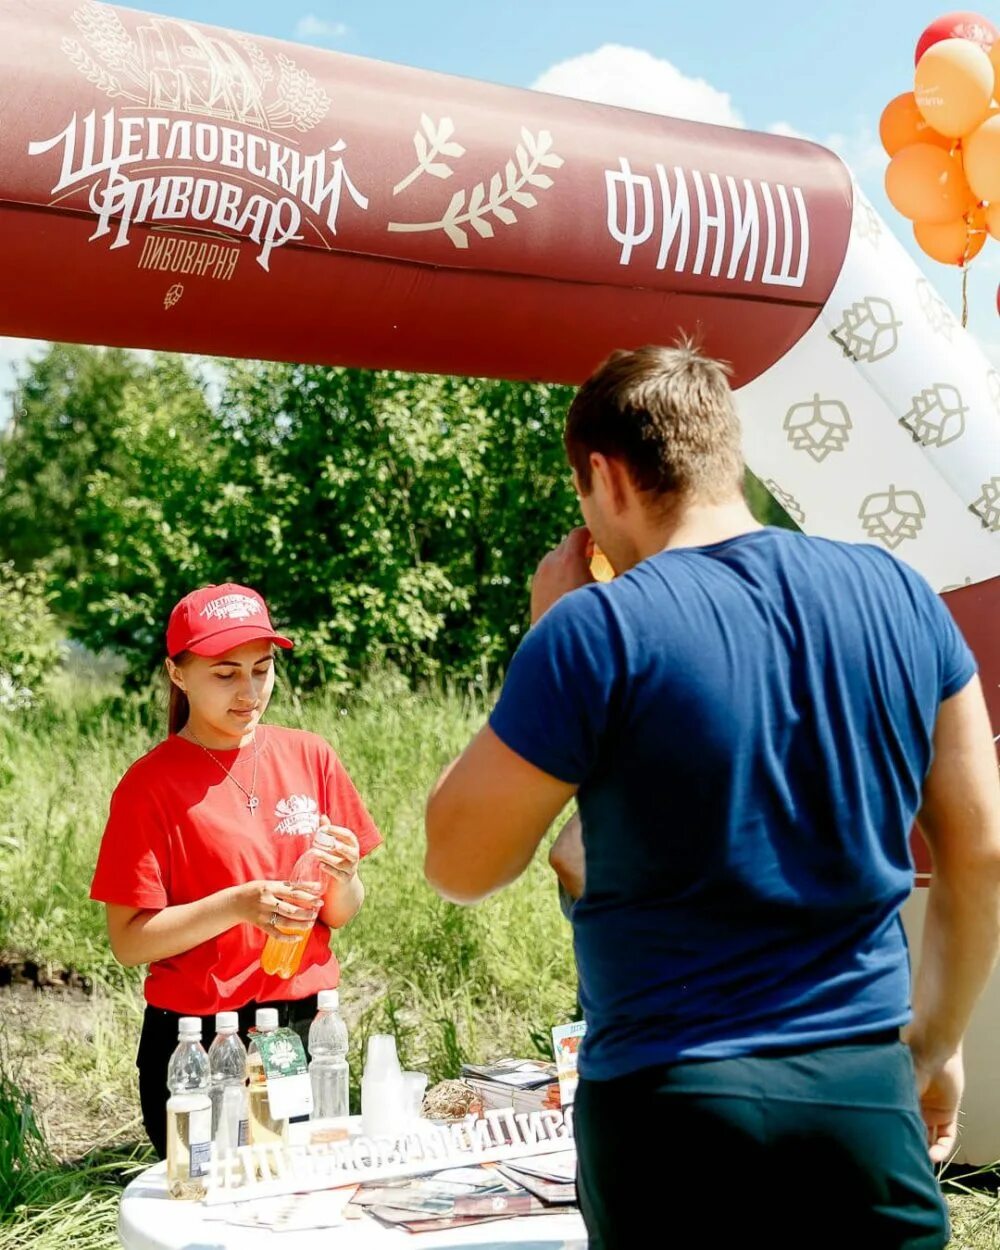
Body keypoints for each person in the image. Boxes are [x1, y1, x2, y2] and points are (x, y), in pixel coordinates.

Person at [424, 342, 1000, 1249]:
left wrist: (546, 633)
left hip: (671, 1109)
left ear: (605, 479)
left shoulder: (596, 628)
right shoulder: (902, 596)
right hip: (859, 1093)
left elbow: (461, 863)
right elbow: (981, 852)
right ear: (724, 455)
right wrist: (935, 1042)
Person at [91, 582, 382, 1158]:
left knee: (302, 1201)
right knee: (209, 1212)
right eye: (225, 674)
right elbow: (129, 942)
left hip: (302, 1029)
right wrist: (238, 904)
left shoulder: (311, 755)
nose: (249, 692)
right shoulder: (148, 787)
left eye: (262, 668)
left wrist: (344, 875)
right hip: (200, 1038)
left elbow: (340, 914)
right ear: (178, 675)